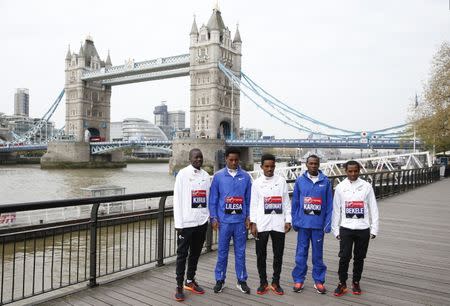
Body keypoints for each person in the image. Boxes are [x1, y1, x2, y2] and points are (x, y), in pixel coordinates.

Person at [331, 160, 379, 297]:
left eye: (355, 171)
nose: (353, 174)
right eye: (350, 171)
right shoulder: (340, 187)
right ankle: (342, 283)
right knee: (344, 257)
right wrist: (335, 230)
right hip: (346, 228)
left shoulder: (367, 186)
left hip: (363, 228)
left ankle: (356, 282)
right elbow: (336, 210)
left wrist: (374, 228)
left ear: (359, 171)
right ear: (345, 171)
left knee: (359, 257)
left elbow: (373, 208)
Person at [209, 147, 252, 294]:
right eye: (231, 160)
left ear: (239, 160)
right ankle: (220, 280)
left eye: (236, 160)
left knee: (241, 252)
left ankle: (241, 280)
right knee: (222, 252)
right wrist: (213, 217)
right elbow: (213, 199)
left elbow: (249, 199)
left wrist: (249, 217)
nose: (233, 162)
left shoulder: (246, 177)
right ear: (226, 159)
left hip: (240, 221)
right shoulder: (218, 176)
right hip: (224, 222)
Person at [250, 154, 291, 295]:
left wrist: (288, 220)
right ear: (261, 167)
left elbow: (286, 202)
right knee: (261, 254)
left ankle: (276, 282)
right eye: (266, 166)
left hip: (278, 223)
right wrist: (253, 223)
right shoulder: (256, 183)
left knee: (278, 254)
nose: (269, 169)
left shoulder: (281, 181)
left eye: (272, 166)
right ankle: (263, 282)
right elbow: (253, 204)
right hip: (262, 224)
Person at [291, 155, 333, 294]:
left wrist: (328, 223)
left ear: (319, 164)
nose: (313, 166)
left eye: (316, 163)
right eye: (311, 163)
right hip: (303, 225)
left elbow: (329, 205)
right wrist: (295, 220)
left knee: (317, 255)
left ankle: (319, 281)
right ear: (306, 164)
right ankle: (299, 280)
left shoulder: (325, 182)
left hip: (318, 225)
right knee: (301, 253)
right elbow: (295, 203)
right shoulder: (300, 181)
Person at [173, 148, 211, 302]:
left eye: (200, 157)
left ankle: (190, 280)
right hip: (186, 222)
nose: (199, 160)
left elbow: (208, 198)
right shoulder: (182, 174)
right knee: (182, 255)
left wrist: (208, 217)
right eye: (196, 157)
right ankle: (179, 286)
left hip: (201, 222)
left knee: (195, 253)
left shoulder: (206, 176)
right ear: (190, 159)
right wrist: (178, 223)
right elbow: (177, 198)